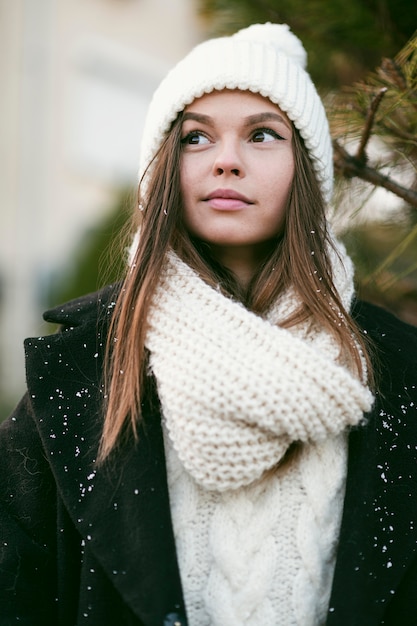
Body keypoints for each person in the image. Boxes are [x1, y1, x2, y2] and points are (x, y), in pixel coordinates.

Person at [1, 22, 417, 626]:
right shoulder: (81, 370)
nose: (226, 161)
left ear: (306, 169)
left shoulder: (395, 367)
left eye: (262, 135)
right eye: (196, 138)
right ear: (165, 165)